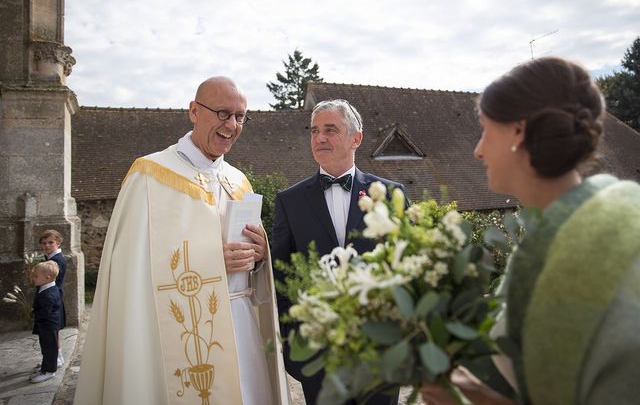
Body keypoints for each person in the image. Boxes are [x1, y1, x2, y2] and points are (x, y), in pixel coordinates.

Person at [421, 57, 640, 404]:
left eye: (484, 129)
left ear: (518, 132)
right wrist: (474, 394)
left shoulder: (555, 264)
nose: (477, 151)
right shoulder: (619, 217)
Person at [75, 77, 289, 405]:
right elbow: (134, 273)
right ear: (193, 111)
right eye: (222, 113)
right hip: (178, 336)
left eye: (240, 116)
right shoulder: (150, 175)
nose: (231, 125)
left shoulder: (238, 180)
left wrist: (260, 256)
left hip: (242, 328)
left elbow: (250, 265)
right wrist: (211, 263)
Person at [272, 99, 406, 405]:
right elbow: (281, 279)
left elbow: (406, 272)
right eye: (314, 130)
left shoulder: (391, 195)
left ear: (355, 138)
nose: (319, 138)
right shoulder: (289, 202)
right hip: (318, 361)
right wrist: (296, 347)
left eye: (330, 129)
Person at [30, 260, 62, 383]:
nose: (33, 278)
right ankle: (45, 367)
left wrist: (34, 314)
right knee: (45, 347)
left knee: (50, 348)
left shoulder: (49, 294)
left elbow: (44, 313)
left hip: (48, 325)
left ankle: (49, 371)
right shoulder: (44, 287)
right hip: (45, 325)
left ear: (47, 278)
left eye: (36, 276)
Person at [39, 229, 66, 367]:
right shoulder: (50, 258)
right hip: (54, 297)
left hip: (53, 299)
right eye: (44, 243)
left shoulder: (56, 261)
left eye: (51, 242)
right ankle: (58, 356)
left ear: (58, 243)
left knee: (52, 331)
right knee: (55, 331)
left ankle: (55, 359)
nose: (47, 245)